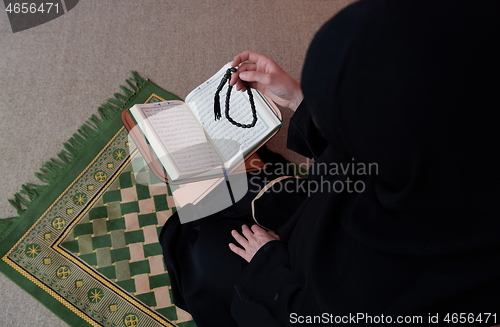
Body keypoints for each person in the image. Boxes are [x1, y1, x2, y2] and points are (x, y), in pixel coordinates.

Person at [160, 0, 500, 326]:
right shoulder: (452, 142)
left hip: (297, 284)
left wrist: (269, 263)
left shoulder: (374, 288)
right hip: (328, 219)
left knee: (199, 251)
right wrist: (297, 96)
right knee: (234, 192)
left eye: (339, 122)